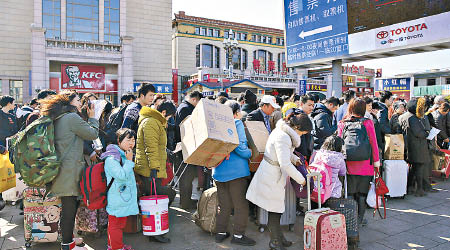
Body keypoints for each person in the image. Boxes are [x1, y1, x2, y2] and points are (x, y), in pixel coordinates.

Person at [40, 90, 99, 250]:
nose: (80, 102)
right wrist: (93, 117)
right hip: (69, 171)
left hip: (61, 170)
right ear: (70, 102)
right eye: (78, 100)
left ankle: (69, 240)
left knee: (68, 208)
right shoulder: (71, 118)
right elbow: (92, 134)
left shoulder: (58, 117)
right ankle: (67, 244)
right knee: (69, 209)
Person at [246, 113, 312, 250]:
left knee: (276, 209)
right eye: (303, 132)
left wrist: (295, 159)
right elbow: (285, 164)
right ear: (297, 127)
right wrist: (302, 180)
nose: (302, 135)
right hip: (272, 175)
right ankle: (275, 242)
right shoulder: (284, 137)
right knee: (275, 211)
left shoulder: (282, 131)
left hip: (272, 173)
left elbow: (284, 154)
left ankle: (279, 239)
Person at [213, 100, 256, 246]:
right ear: (237, 112)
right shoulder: (236, 123)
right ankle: (238, 235)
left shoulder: (216, 124)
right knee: (240, 205)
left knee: (224, 205)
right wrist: (250, 153)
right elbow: (240, 147)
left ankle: (220, 232)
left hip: (218, 172)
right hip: (236, 173)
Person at [135, 101, 177, 242]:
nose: (169, 120)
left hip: (153, 168)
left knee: (155, 199)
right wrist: (154, 168)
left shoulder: (154, 122)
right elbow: (151, 148)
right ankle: (154, 233)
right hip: (150, 169)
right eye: (169, 116)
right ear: (164, 112)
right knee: (155, 201)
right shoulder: (151, 122)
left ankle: (154, 231)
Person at [338, 98, 380, 226]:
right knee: (362, 194)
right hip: (366, 164)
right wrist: (377, 162)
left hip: (349, 164)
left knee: (349, 193)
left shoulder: (343, 123)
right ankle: (360, 219)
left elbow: (339, 143)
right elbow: (373, 142)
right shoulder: (368, 123)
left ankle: (350, 219)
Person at [101, 128, 138, 250]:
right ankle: (116, 247)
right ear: (118, 140)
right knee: (115, 225)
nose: (132, 143)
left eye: (133, 140)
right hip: (116, 197)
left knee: (119, 224)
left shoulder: (123, 154)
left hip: (122, 197)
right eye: (128, 139)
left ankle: (114, 245)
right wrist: (129, 161)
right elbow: (121, 175)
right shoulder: (112, 158)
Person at [174, 91, 204, 209]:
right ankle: (185, 202)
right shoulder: (186, 109)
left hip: (184, 147)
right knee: (187, 176)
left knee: (187, 176)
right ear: (194, 99)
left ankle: (186, 200)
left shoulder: (183, 107)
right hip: (185, 148)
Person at [309, 135, 346, 200]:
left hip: (316, 189)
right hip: (332, 192)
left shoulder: (317, 154)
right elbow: (343, 173)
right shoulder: (339, 158)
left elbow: (311, 165)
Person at [0, 95, 19, 211]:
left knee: (8, 174)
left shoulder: (12, 116)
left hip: (10, 149)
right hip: (1, 149)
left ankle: (9, 196)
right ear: (8, 103)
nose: (14, 105)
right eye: (13, 102)